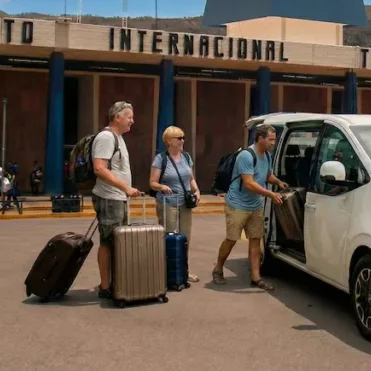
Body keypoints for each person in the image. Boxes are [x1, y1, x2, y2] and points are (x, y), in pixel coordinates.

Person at [211, 124, 288, 291]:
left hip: (255, 205)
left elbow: (267, 175)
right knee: (231, 239)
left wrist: (278, 182)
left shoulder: (267, 155)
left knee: (255, 240)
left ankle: (256, 278)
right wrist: (270, 194)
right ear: (260, 138)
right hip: (238, 205)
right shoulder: (246, 156)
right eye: (270, 140)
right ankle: (218, 269)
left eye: (274, 140)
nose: (273, 143)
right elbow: (249, 183)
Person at [92, 101, 141, 300]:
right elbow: (99, 168)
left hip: (118, 198)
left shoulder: (118, 138)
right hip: (109, 197)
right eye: (129, 117)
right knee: (108, 242)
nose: (132, 121)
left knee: (117, 243)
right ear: (117, 117)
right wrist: (125, 188)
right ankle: (105, 287)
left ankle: (115, 283)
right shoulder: (106, 137)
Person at [149, 125, 202, 283]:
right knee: (168, 236)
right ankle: (166, 271)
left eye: (183, 137)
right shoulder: (161, 159)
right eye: (178, 138)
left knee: (185, 237)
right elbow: (152, 182)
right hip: (167, 203)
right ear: (169, 141)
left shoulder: (186, 157)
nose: (182, 140)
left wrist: (197, 190)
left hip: (185, 203)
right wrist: (161, 186)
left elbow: (190, 178)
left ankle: (184, 271)